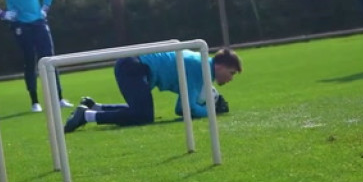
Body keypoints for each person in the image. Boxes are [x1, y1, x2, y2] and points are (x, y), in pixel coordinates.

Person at [63, 48, 241, 133]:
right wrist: (210, 112)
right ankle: (86, 116)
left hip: (134, 65)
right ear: (219, 66)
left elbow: (183, 106)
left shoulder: (201, 64)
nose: (231, 78)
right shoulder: (201, 69)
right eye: (231, 73)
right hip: (134, 67)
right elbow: (185, 108)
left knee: (141, 112)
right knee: (143, 115)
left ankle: (94, 107)